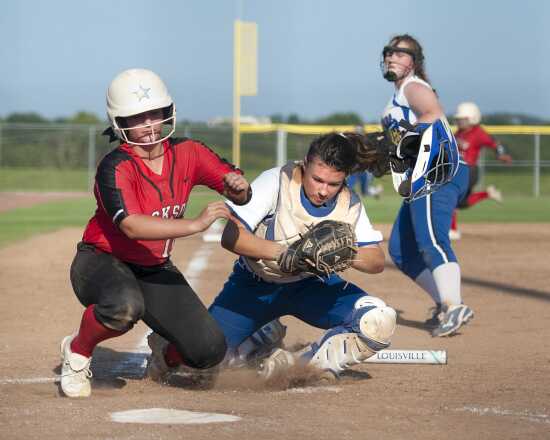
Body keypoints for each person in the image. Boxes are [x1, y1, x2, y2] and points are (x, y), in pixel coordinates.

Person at [60, 68, 251, 398]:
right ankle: (77, 351)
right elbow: (132, 225)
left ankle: (164, 354)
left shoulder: (189, 153)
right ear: (120, 122)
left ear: (168, 113)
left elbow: (238, 189)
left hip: (153, 267)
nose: (149, 125)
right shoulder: (115, 165)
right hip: (101, 262)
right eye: (137, 117)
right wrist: (194, 224)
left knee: (208, 350)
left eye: (155, 114)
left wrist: (239, 188)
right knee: (124, 307)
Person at [201, 132, 397, 380]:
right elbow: (231, 237)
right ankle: (262, 334)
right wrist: (286, 252)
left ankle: (302, 364)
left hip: (312, 286)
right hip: (254, 287)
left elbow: (376, 261)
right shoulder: (277, 180)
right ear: (305, 163)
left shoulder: (349, 202)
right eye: (317, 179)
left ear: (345, 179)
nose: (324, 190)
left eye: (333, 184)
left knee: (377, 321)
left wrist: (347, 253)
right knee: (201, 360)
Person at [380, 34, 474, 337]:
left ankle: (455, 305)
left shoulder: (414, 86)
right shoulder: (398, 95)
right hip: (422, 176)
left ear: (414, 62)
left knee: (432, 241)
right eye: (389, 52)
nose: (392, 57)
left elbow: (432, 114)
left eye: (401, 53)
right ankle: (444, 303)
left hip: (438, 171)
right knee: (401, 250)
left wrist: (405, 138)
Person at [450, 102, 513, 240]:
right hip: (457, 170)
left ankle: (453, 230)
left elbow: (495, 143)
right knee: (463, 203)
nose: (459, 121)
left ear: (473, 118)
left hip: (469, 170)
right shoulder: (458, 133)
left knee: (451, 197)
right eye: (459, 119)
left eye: (463, 119)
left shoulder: (478, 132)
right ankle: (487, 193)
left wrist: (501, 154)